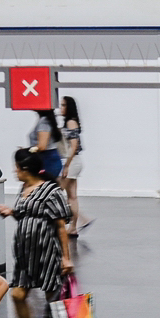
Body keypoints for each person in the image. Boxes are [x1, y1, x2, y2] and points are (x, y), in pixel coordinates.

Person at [0, 149, 74, 318]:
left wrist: (66, 257)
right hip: (25, 256)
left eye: (17, 167)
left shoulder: (51, 190)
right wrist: (11, 212)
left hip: (47, 254)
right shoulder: (24, 188)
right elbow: (25, 214)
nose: (15, 171)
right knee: (18, 295)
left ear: (25, 169)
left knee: (53, 300)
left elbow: (60, 226)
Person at [59, 96, 94, 232]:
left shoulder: (70, 123)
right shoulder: (70, 122)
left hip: (72, 162)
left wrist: (66, 165)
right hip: (74, 161)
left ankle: (80, 220)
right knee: (72, 196)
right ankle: (75, 225)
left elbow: (74, 146)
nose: (61, 108)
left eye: (63, 105)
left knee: (57, 193)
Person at [29, 108, 64, 178]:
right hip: (50, 158)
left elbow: (42, 146)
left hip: (47, 159)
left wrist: (28, 151)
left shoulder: (44, 122)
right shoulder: (46, 120)